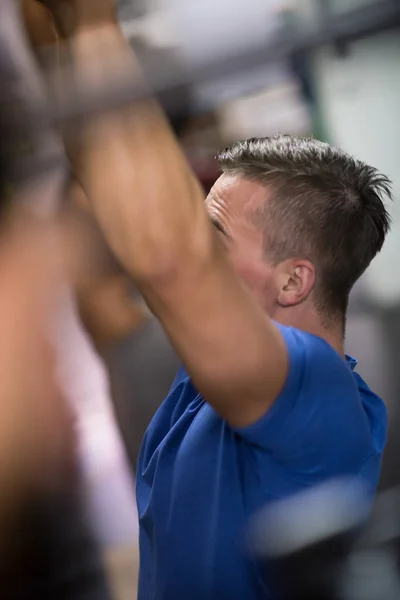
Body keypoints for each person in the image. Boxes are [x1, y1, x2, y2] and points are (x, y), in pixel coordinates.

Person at [36, 2, 391, 599]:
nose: (195, 247)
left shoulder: (321, 390)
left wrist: (97, 25)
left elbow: (170, 261)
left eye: (215, 238)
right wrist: (60, 22)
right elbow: (109, 191)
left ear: (291, 282)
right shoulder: (205, 379)